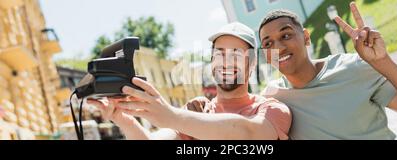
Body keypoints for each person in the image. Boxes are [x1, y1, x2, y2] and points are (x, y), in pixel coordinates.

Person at [256, 2, 397, 139]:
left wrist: (383, 62)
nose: (278, 47)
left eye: (286, 35)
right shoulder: (271, 99)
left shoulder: (353, 68)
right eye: (268, 43)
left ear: (306, 37)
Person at [88, 22, 292, 140]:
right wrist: (123, 119)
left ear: (253, 64)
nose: (226, 62)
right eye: (219, 54)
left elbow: (248, 133)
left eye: (237, 55)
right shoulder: (196, 110)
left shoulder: (272, 109)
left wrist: (171, 116)